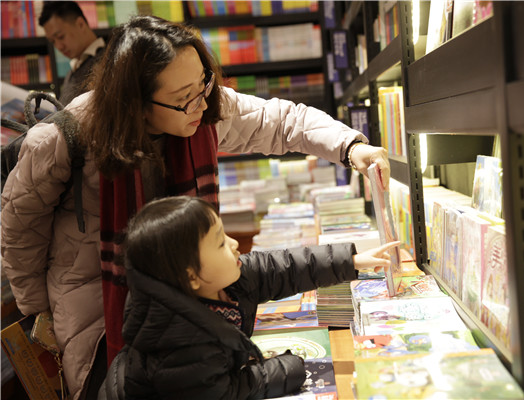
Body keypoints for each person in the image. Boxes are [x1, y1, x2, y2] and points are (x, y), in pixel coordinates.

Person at [1, 15, 389, 399]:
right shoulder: (63, 140)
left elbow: (281, 121)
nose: (200, 103)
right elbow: (19, 233)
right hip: (101, 315)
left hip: (189, 307)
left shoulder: (205, 107)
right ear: (136, 101)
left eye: (204, 82)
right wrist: (42, 320)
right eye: (182, 98)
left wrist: (349, 146)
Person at [98, 196, 401, 399]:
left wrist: (351, 260)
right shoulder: (182, 345)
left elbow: (281, 267)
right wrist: (291, 368)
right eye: (219, 242)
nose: (233, 244)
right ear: (191, 276)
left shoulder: (222, 280)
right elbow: (228, 393)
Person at [39, 1, 105, 104]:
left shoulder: (109, 59)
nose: (58, 47)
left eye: (61, 37)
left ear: (80, 24)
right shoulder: (71, 74)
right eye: (53, 41)